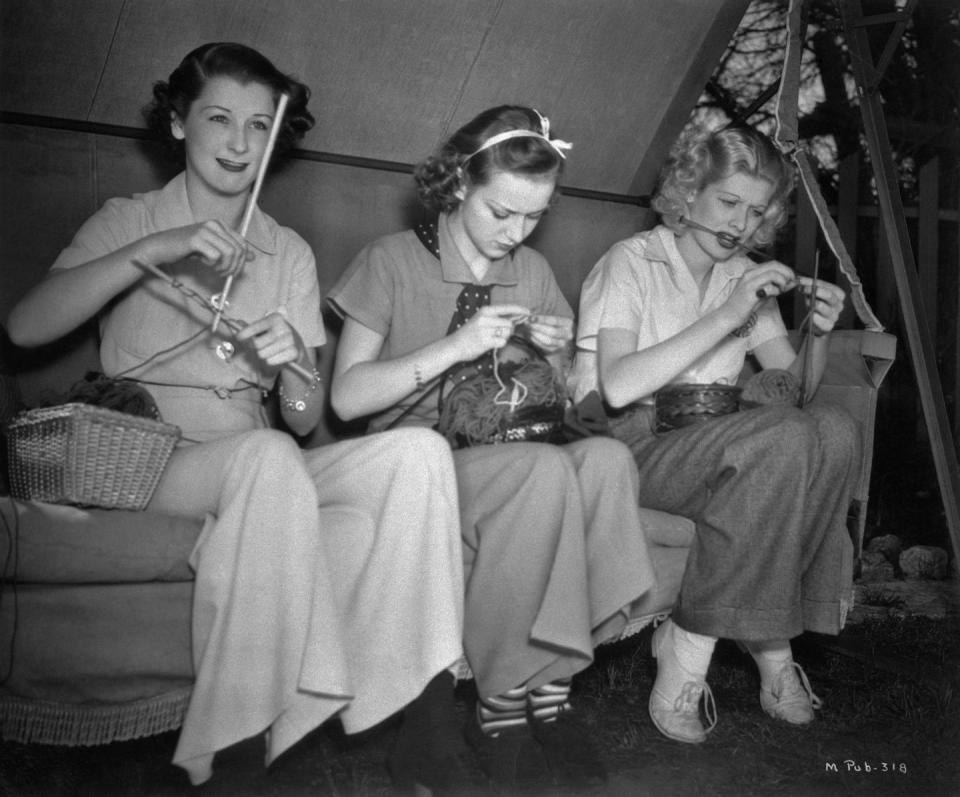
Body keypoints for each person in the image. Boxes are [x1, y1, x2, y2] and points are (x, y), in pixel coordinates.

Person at [5, 43, 466, 789]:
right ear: (178, 122)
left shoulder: (285, 249)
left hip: (258, 457)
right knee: (266, 462)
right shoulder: (130, 218)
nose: (240, 143)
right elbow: (26, 326)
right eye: (219, 118)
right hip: (152, 458)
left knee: (416, 453)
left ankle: (423, 711)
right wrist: (160, 246)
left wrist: (292, 366)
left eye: (259, 125)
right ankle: (236, 753)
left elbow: (301, 416)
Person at [327, 105, 656, 791]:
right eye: (501, 212)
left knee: (605, 460)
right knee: (539, 470)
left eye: (533, 216)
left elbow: (555, 404)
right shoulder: (390, 260)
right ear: (455, 186)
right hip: (413, 465)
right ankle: (503, 701)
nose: (516, 232)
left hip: (505, 447)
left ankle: (551, 686)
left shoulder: (531, 269)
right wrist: (459, 343)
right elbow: (347, 399)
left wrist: (565, 361)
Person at [568, 123, 860, 744]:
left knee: (833, 431)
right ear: (687, 191)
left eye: (756, 213)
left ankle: (743, 638)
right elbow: (616, 386)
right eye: (727, 202)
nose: (740, 224)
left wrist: (821, 334)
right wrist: (731, 316)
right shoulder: (632, 262)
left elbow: (799, 393)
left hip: (708, 444)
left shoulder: (741, 275)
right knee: (778, 438)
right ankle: (706, 655)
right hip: (625, 443)